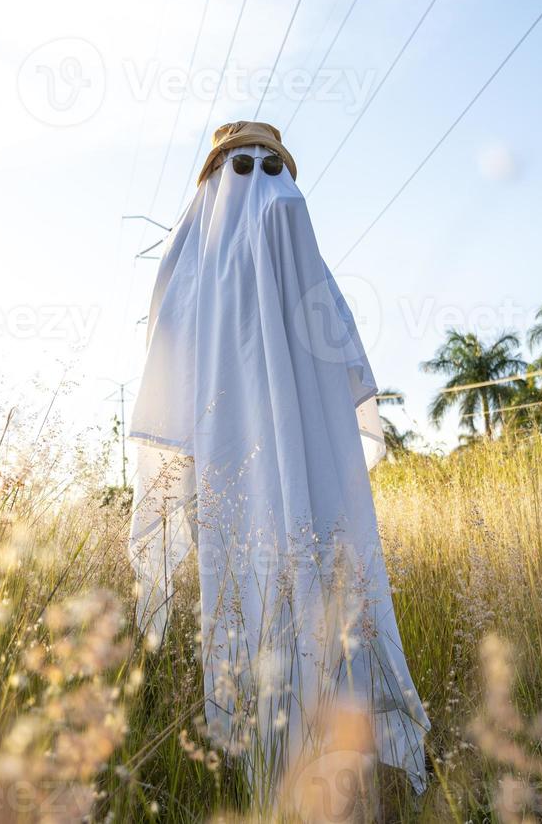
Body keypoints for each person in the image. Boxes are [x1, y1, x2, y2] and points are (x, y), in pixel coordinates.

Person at [128, 121, 429, 796]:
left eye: (274, 168)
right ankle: (270, 773)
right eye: (242, 168)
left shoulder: (301, 257)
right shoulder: (188, 271)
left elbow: (344, 365)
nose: (265, 186)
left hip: (316, 476)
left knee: (331, 595)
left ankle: (348, 763)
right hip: (233, 476)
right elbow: (166, 383)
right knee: (250, 604)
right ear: (212, 183)